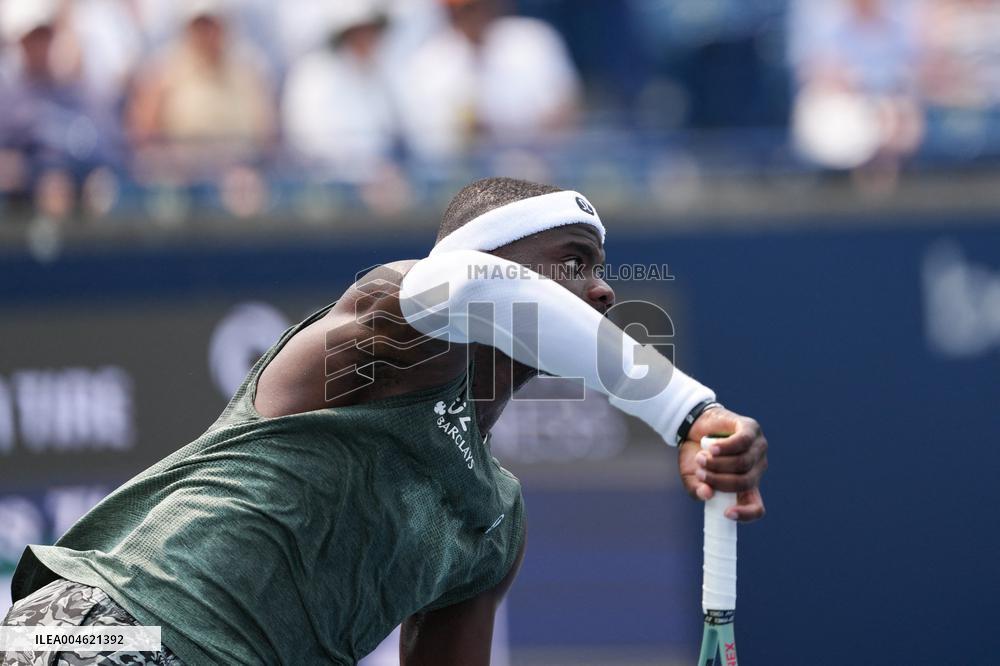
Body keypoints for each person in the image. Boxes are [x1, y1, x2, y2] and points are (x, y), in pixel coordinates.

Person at [3, 177, 768, 665]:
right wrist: (687, 409)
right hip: (99, 633)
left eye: (601, 269)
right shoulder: (381, 339)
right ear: (494, 261)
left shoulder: (494, 521)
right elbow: (467, 286)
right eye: (572, 261)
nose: (602, 293)